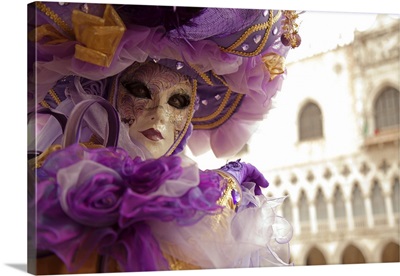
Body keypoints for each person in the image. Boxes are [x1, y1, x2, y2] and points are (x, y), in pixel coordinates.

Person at [27, 2, 302, 274]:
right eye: (140, 91)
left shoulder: (181, 190)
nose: (159, 115)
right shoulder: (67, 173)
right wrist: (225, 187)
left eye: (178, 101)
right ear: (102, 90)